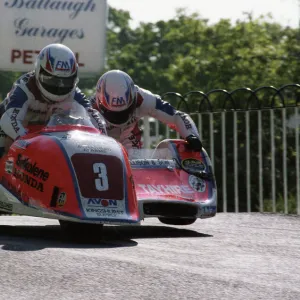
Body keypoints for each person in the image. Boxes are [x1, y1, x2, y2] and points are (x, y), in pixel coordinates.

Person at [0, 43, 106, 157]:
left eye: (66, 82)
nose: (59, 87)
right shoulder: (24, 88)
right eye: (52, 80)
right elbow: (8, 121)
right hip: (15, 127)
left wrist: (101, 141)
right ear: (38, 71)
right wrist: (27, 140)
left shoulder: (75, 93)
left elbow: (95, 120)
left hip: (49, 133)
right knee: (6, 147)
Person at [89, 69, 202, 152]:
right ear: (100, 104)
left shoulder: (143, 98)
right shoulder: (89, 108)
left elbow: (176, 116)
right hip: (101, 142)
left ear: (133, 99)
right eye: (114, 114)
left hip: (129, 138)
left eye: (124, 112)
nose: (120, 118)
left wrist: (191, 135)